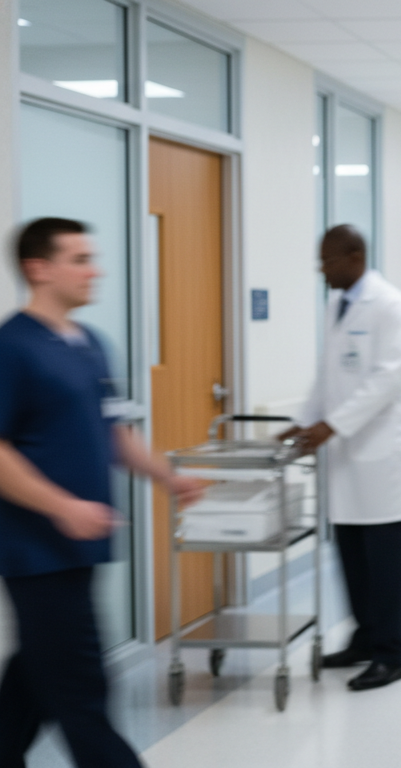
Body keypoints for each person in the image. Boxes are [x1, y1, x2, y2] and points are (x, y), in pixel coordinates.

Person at [0, 218, 207, 767]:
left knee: (36, 673)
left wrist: (167, 475)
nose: (96, 270)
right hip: (34, 548)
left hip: (78, 546)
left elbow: (113, 430)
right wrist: (61, 506)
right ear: (38, 269)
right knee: (81, 687)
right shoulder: (12, 347)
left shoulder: (89, 344)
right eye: (79, 259)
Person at [283, 224, 401, 692]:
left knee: (383, 561)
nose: (322, 270)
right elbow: (328, 374)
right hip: (344, 456)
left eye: (328, 261)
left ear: (354, 255)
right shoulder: (336, 303)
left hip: (379, 456)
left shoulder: (391, 306)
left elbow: (386, 380)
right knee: (352, 556)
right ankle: (365, 637)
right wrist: (305, 420)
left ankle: (392, 653)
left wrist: (331, 426)